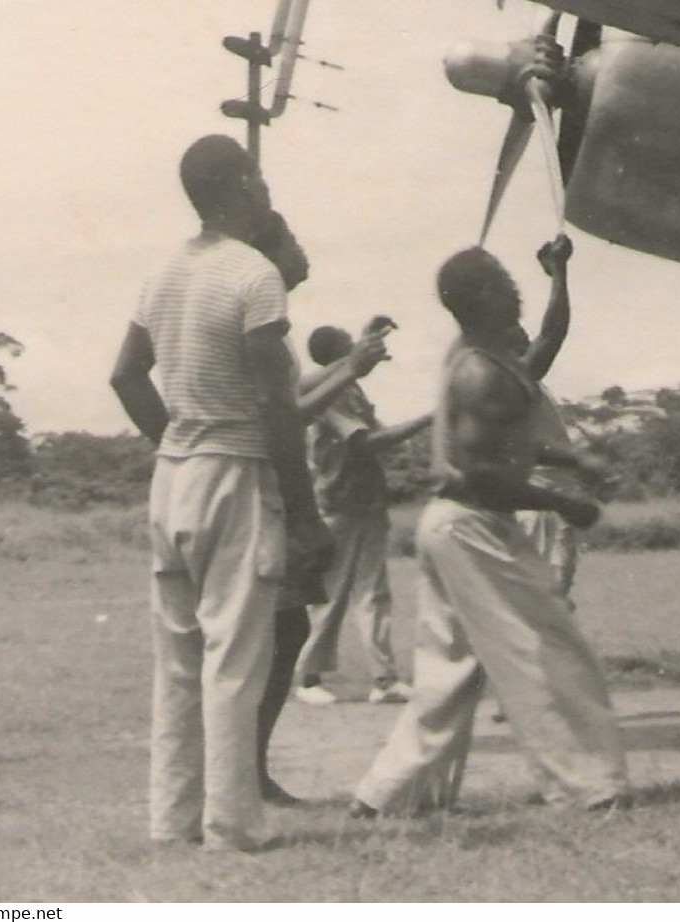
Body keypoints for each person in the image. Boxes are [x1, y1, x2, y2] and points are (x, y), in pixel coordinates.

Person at [349, 240, 628, 817]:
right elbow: (478, 475)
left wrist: (574, 462)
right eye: (504, 280)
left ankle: (386, 796)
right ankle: (587, 785)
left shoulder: (491, 362)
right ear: (482, 297)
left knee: (450, 670)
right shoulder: (480, 371)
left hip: (460, 525)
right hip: (471, 524)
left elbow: (513, 441)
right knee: (548, 646)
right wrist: (562, 502)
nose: (514, 287)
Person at [109, 135, 332, 851]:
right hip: (235, 474)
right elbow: (278, 406)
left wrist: (179, 442)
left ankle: (171, 824)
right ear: (240, 183)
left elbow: (125, 376)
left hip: (173, 477)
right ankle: (231, 826)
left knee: (178, 661)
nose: (267, 192)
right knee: (236, 657)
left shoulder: (162, 272)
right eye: (259, 179)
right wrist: (304, 513)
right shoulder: (255, 275)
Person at [246, 210, 392, 805]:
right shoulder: (264, 327)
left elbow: (298, 396)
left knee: (286, 626)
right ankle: (246, 770)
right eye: (295, 241)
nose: (304, 250)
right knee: (281, 628)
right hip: (263, 494)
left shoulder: (274, 333)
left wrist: (352, 360)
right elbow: (285, 413)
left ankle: (247, 769)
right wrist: (353, 367)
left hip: (259, 490)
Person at [292, 323, 432, 707]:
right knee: (332, 595)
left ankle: (384, 680)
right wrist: (432, 416)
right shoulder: (329, 396)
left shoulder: (350, 391)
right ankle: (308, 678)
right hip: (340, 504)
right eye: (350, 345)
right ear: (339, 355)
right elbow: (370, 441)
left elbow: (381, 436)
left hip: (367, 502)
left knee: (375, 594)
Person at [515, 235, 582, 596]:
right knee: (547, 599)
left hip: (547, 502)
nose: (525, 335)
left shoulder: (520, 381)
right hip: (541, 505)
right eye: (517, 333)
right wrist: (559, 272)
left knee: (548, 597)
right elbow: (552, 334)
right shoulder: (514, 377)